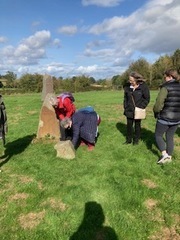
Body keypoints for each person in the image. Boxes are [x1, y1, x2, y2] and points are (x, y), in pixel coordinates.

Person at [153, 69, 180, 164]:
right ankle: (169, 157)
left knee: (158, 135)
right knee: (170, 136)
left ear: (170, 76)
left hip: (165, 117)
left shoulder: (165, 87)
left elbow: (159, 103)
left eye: (165, 76)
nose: (164, 78)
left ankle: (164, 155)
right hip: (177, 118)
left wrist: (156, 112)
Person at [123, 71, 150, 145]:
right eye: (129, 80)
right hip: (129, 110)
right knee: (129, 126)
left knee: (137, 126)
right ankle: (128, 140)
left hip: (138, 110)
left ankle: (136, 140)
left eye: (131, 80)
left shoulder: (143, 87)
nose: (130, 81)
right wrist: (125, 106)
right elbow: (125, 98)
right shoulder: (127, 87)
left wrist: (141, 107)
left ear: (136, 79)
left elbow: (147, 99)